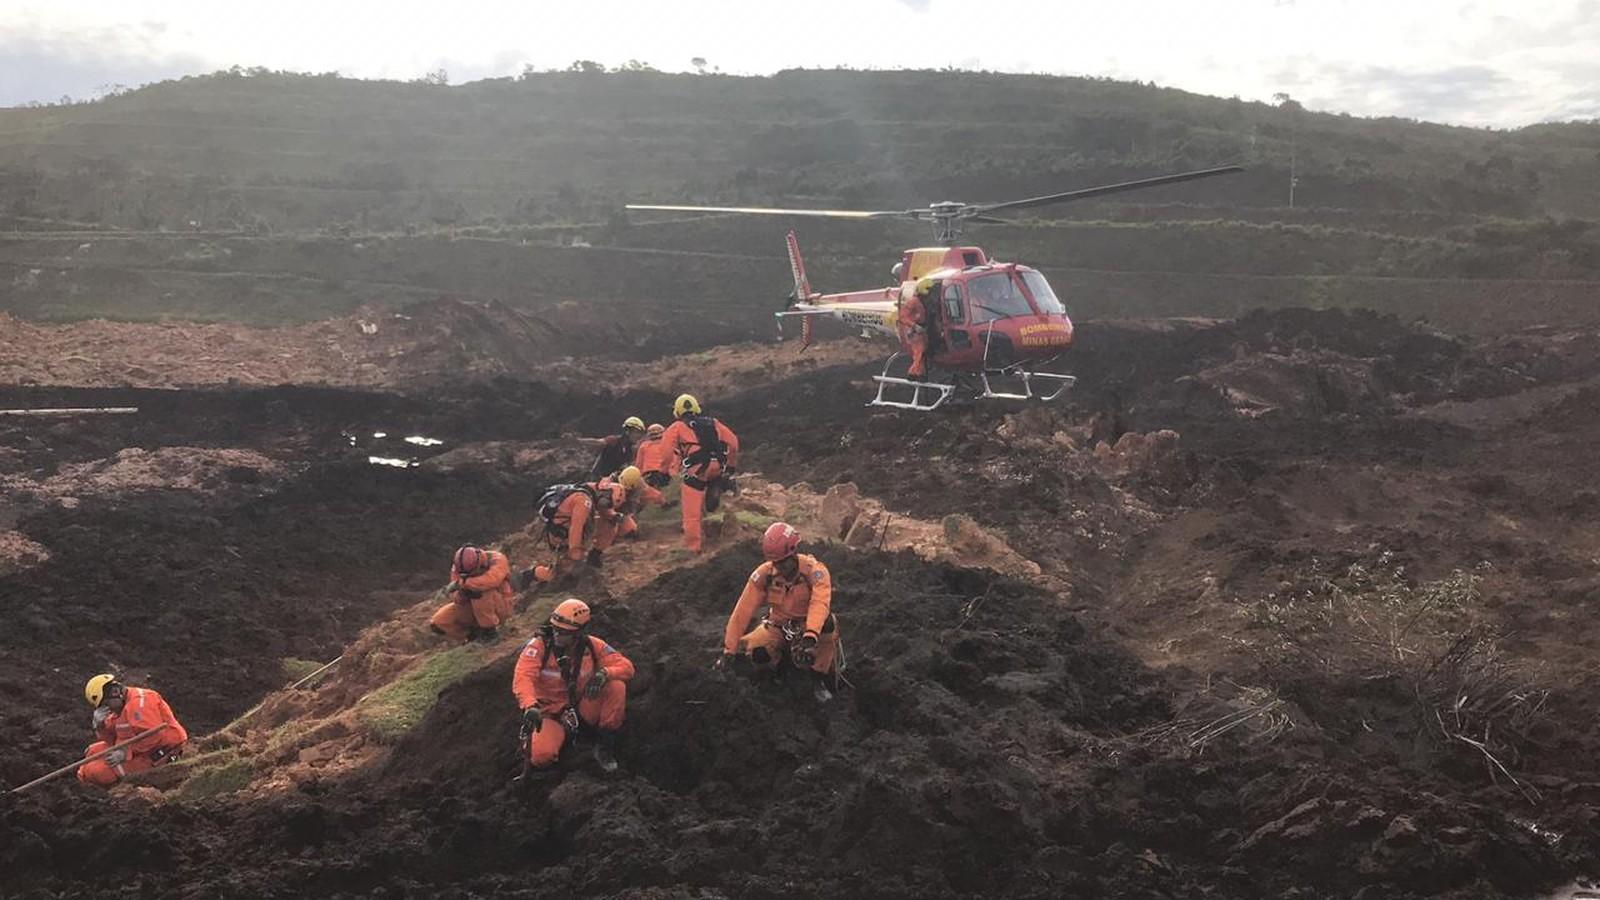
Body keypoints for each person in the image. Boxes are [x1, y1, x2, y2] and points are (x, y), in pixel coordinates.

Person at [715, 522, 840, 702]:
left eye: (783, 562)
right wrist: (729, 650)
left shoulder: (815, 572)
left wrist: (811, 635)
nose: (780, 567)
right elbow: (742, 611)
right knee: (757, 650)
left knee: (828, 624)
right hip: (778, 627)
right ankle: (778, 671)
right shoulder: (765, 575)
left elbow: (819, 603)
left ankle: (818, 678)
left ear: (794, 553)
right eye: (776, 563)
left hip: (808, 628)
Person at [511, 599, 635, 773]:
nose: (557, 635)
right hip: (550, 714)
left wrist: (605, 673)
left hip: (582, 709)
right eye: (555, 628)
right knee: (541, 756)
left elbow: (627, 667)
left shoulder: (593, 646)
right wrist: (530, 705)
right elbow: (523, 677)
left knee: (616, 686)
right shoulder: (538, 648)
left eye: (564, 632)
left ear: (579, 632)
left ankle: (604, 745)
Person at [660, 394, 740, 553]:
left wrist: (663, 473)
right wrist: (731, 465)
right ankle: (718, 484)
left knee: (691, 515)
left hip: (696, 471)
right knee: (713, 480)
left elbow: (666, 453)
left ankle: (693, 548)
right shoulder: (713, 423)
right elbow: (733, 443)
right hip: (717, 466)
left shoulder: (676, 427)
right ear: (697, 408)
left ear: (677, 412)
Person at [76, 674, 189, 787]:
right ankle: (83, 777)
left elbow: (153, 736)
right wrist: (100, 726)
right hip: (137, 748)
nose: (108, 710)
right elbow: (112, 738)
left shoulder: (140, 703)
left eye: (106, 705)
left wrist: (125, 753)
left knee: (95, 772)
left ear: (115, 692)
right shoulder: (120, 706)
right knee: (92, 751)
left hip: (159, 750)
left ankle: (94, 782)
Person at [429, 545, 515, 642]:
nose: (469, 576)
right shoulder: (458, 568)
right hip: (472, 608)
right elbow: (456, 598)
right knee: (438, 623)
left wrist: (462, 583)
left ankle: (490, 633)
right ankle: (471, 637)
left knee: (479, 591)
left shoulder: (497, 559)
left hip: (500, 605)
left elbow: (491, 580)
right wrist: (462, 594)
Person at [898, 278, 931, 381]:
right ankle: (913, 373)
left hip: (920, 330)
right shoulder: (913, 302)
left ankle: (921, 373)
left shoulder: (921, 301)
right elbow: (902, 317)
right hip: (915, 331)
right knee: (919, 352)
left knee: (922, 352)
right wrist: (914, 326)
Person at [634, 423, 674, 489]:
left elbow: (638, 465)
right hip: (665, 475)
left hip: (648, 475)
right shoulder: (669, 444)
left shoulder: (644, 446)